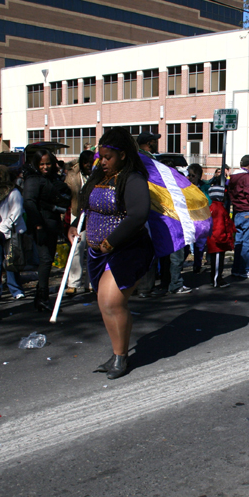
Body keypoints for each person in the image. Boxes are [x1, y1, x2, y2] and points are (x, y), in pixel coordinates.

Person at [69, 127, 155, 380]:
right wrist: (75, 226)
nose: (103, 162)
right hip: (97, 252)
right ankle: (120, 352)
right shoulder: (98, 176)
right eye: (101, 157)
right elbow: (87, 208)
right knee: (108, 304)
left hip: (127, 250)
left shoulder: (133, 180)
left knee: (111, 302)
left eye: (108, 157)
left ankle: (120, 357)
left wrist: (112, 240)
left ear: (123, 156)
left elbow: (139, 214)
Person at [23, 149, 70, 311]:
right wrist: (38, 225)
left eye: (48, 163)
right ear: (36, 164)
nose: (45, 167)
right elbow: (29, 202)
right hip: (41, 224)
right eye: (42, 164)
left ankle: (40, 296)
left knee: (48, 260)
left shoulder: (49, 178)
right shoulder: (33, 179)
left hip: (50, 223)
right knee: (45, 260)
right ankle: (42, 297)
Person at [0, 165, 26, 299]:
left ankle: (15, 289)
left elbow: (17, 211)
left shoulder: (13, 192)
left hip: (10, 230)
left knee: (11, 261)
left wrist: (5, 226)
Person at [65, 150, 94, 295]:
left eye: (91, 162)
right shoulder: (73, 177)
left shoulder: (97, 176)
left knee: (92, 248)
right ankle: (73, 283)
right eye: (86, 162)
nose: (89, 165)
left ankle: (91, 282)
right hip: (77, 215)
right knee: (76, 248)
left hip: (93, 216)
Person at [206, 184, 234, 288]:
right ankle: (216, 280)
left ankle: (216, 279)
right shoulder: (219, 209)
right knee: (217, 262)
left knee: (216, 261)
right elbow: (219, 227)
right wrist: (223, 239)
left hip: (214, 239)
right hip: (218, 241)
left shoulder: (213, 207)